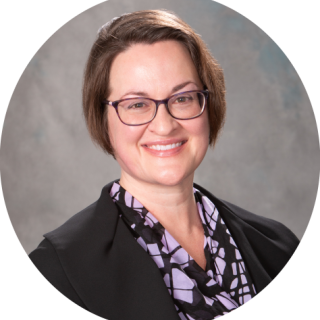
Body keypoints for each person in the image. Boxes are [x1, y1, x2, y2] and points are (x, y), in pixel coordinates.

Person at [28, 9, 300, 320]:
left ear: (208, 105)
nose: (165, 125)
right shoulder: (58, 271)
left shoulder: (278, 246)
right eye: (137, 104)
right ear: (103, 121)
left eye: (183, 98)